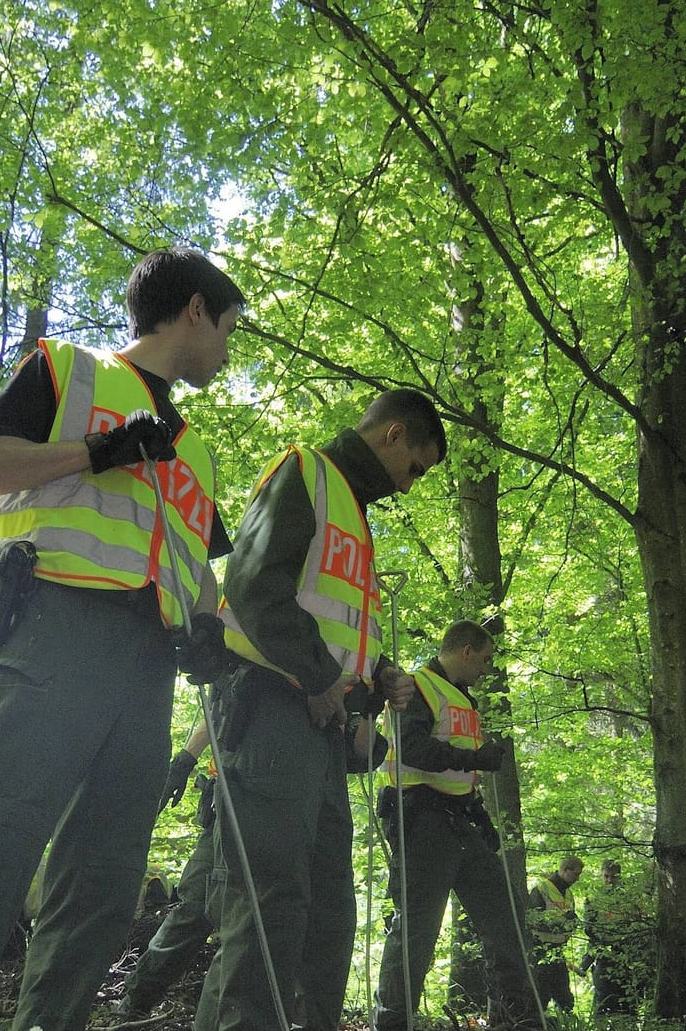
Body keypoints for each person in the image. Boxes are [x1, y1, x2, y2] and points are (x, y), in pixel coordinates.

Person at [0, 248, 243, 1031]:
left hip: (148, 673)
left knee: (102, 887)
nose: (229, 351)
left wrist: (215, 631)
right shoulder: (68, 369)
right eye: (229, 329)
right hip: (48, 638)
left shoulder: (195, 450)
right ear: (196, 310)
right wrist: (98, 451)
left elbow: (200, 572)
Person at [192, 388, 443, 1031]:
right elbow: (252, 587)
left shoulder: (354, 520)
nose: (411, 488)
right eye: (415, 466)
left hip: (323, 731)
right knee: (270, 903)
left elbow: (331, 623)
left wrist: (374, 680)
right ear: (391, 434)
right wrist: (324, 676)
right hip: (273, 711)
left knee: (331, 913)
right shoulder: (308, 473)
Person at [371, 621, 540, 1031]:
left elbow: (458, 773)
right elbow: (410, 749)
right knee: (418, 928)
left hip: (460, 821)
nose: (487, 668)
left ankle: (518, 1018)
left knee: (506, 917)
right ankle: (393, 1023)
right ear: (465, 651)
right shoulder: (416, 688)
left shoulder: (463, 700)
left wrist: (479, 814)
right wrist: (474, 760)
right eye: (484, 659)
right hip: (419, 818)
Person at [115, 719, 218, 1019]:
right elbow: (214, 712)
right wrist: (183, 762)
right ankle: (136, 1000)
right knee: (195, 907)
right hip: (228, 806)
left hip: (289, 811)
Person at [582, 859, 652, 1018]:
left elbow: (636, 926)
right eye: (606, 876)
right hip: (603, 953)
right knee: (603, 997)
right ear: (601, 875)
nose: (609, 880)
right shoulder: (593, 899)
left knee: (627, 1001)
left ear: (619, 877)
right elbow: (589, 929)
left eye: (613, 877)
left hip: (626, 955)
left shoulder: (628, 899)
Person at [527, 855, 584, 1015]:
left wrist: (572, 923)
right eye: (576, 874)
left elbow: (570, 921)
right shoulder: (541, 889)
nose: (577, 879)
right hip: (541, 950)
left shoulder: (568, 894)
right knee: (541, 995)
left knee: (565, 998)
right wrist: (560, 922)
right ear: (565, 870)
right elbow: (534, 920)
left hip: (559, 951)